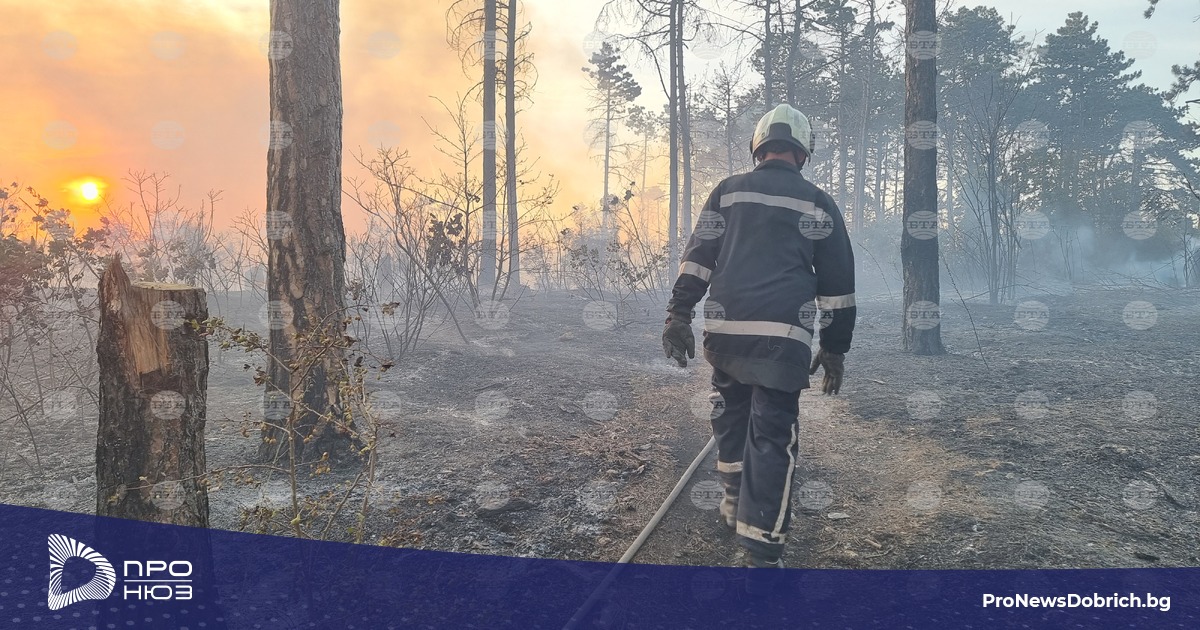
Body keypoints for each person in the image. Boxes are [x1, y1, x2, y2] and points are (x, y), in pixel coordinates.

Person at [662, 104, 857, 572]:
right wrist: (834, 347)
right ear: (802, 152)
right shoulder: (818, 203)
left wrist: (679, 314)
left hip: (726, 334)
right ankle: (760, 551)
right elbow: (838, 286)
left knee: (731, 415)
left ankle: (733, 501)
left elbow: (698, 259)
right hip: (783, 340)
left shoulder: (728, 192)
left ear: (758, 147)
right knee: (772, 436)